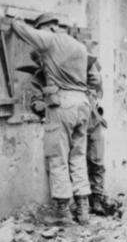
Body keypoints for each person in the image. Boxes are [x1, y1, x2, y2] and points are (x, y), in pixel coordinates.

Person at [11, 13, 91, 225]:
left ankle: (62, 212)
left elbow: (23, 31)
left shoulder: (50, 39)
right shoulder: (80, 46)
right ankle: (83, 210)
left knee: (57, 157)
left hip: (62, 104)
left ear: (48, 28)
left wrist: (16, 21)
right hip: (83, 103)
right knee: (78, 155)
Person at [85, 54, 108, 215]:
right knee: (77, 163)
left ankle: (97, 199)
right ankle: (81, 203)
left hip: (94, 123)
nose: (92, 74)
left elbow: (97, 84)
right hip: (77, 122)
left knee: (97, 161)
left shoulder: (90, 63)